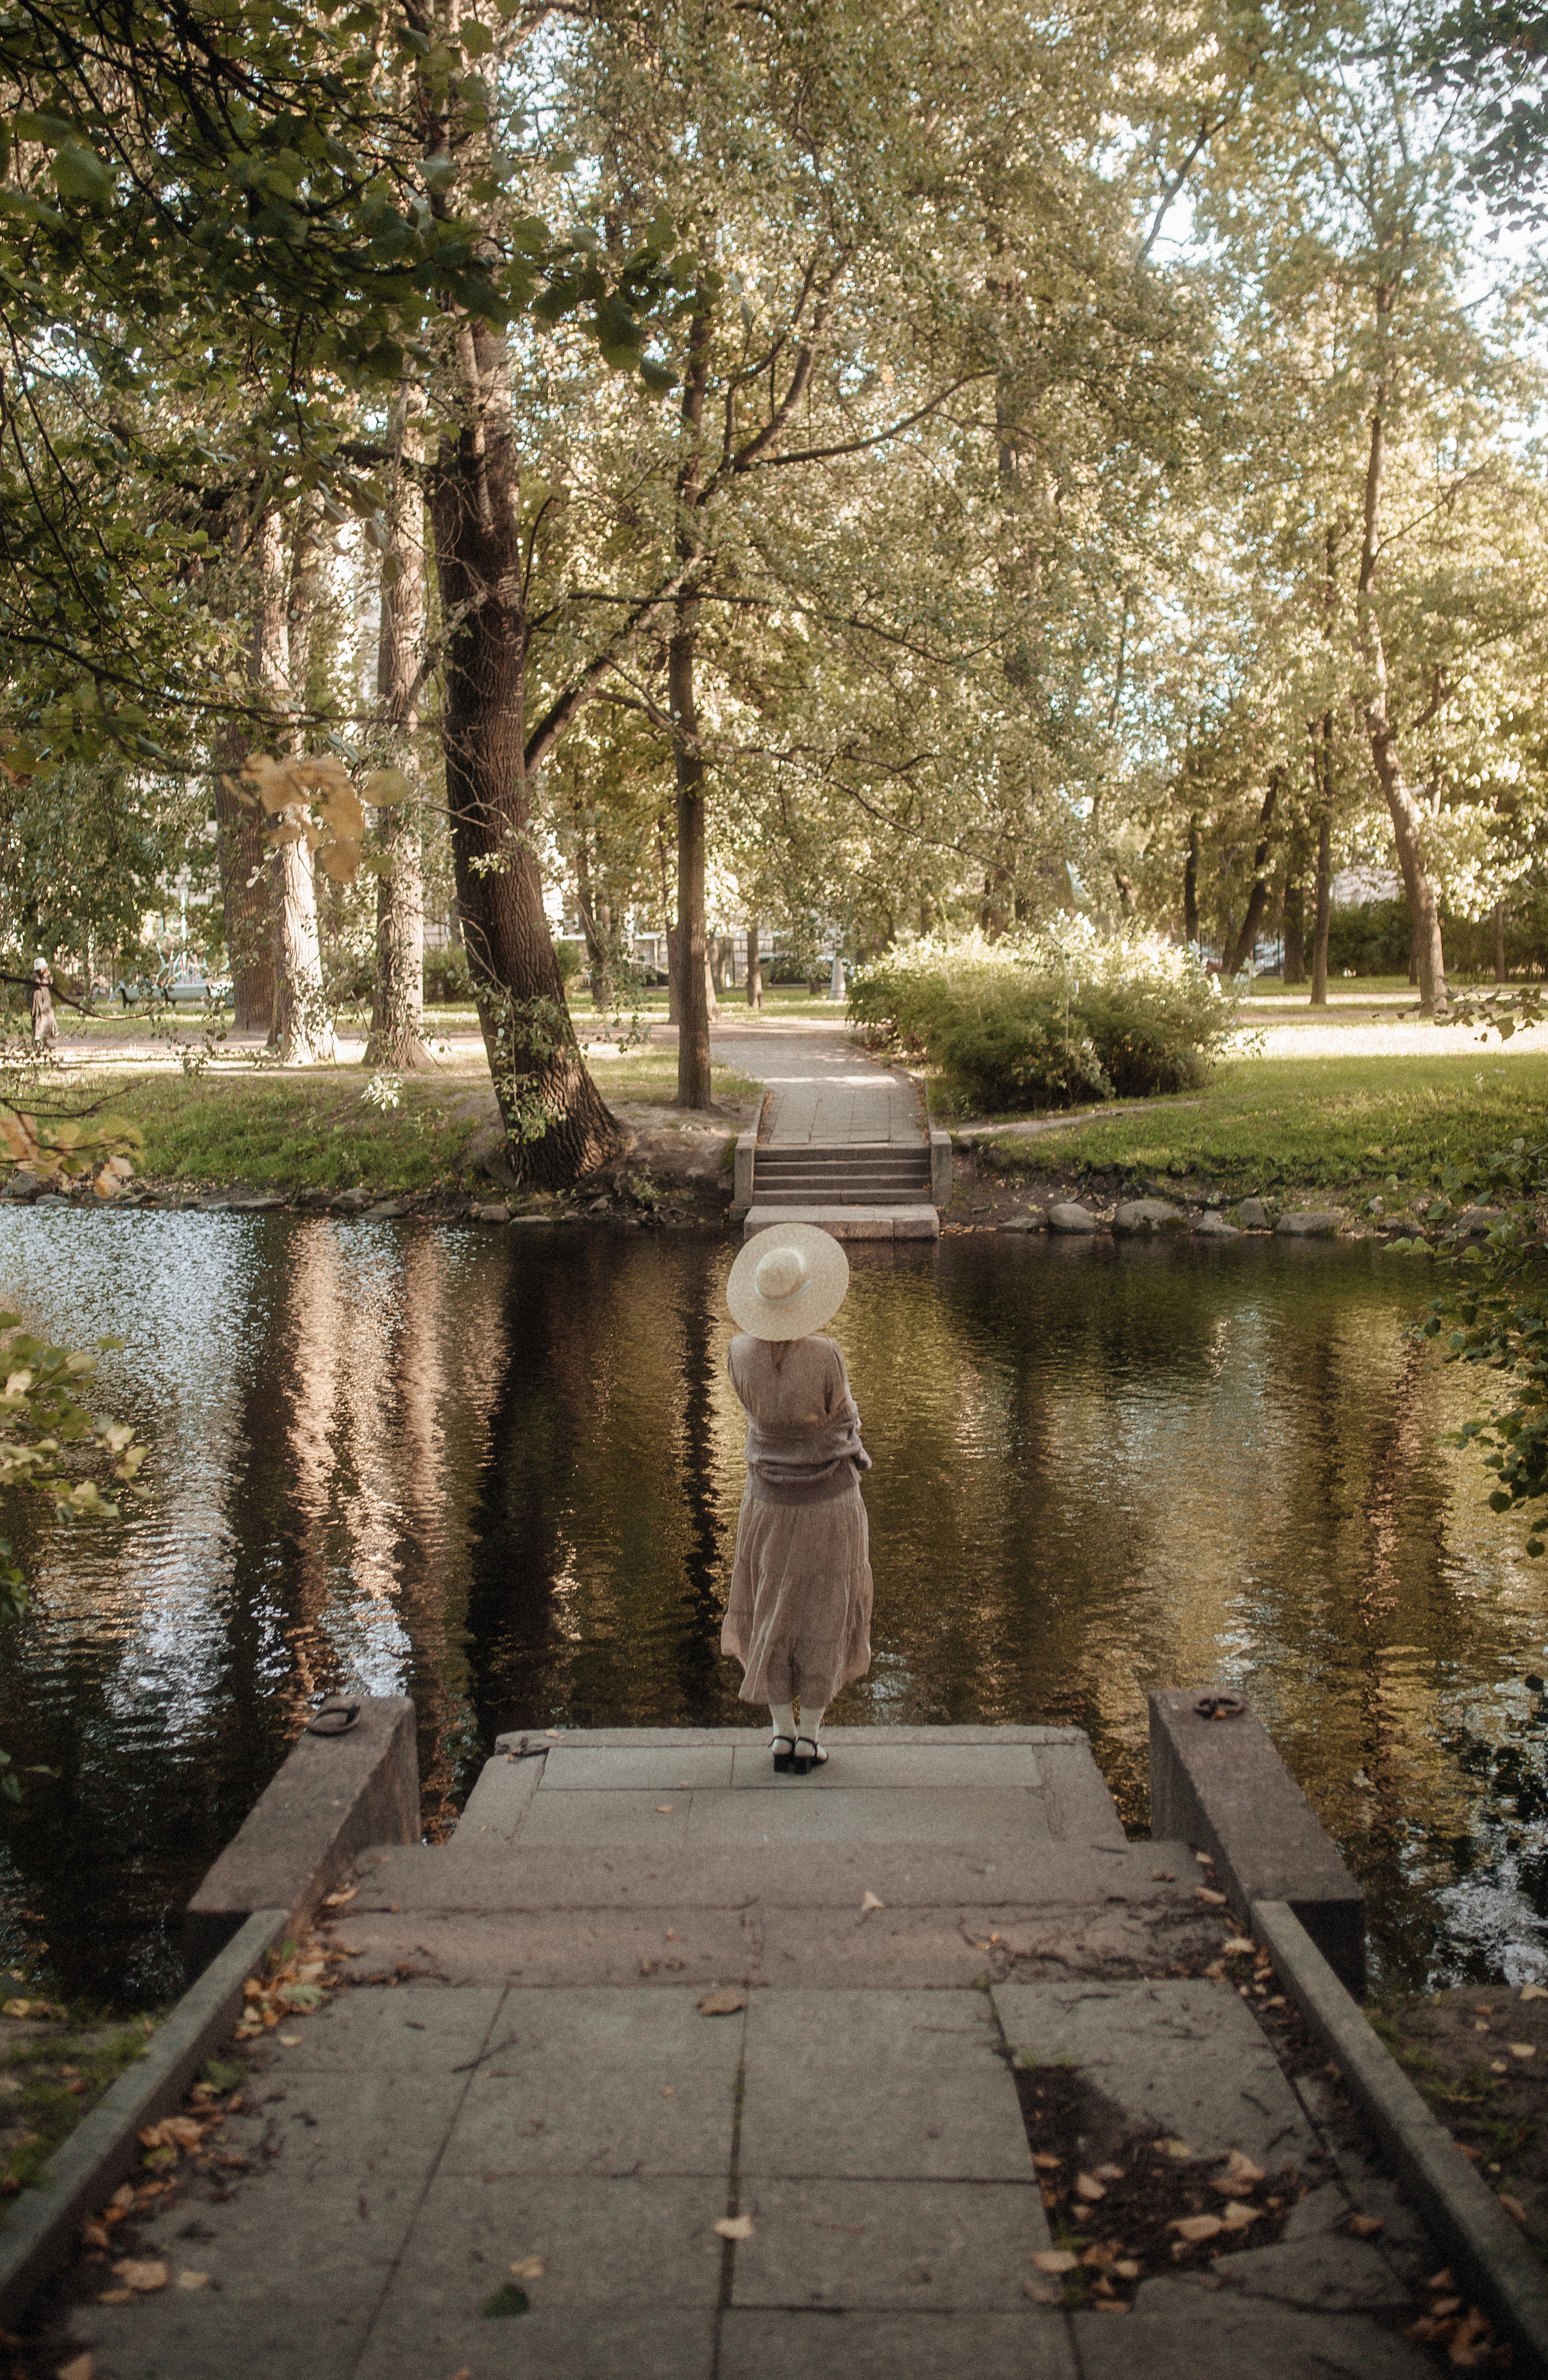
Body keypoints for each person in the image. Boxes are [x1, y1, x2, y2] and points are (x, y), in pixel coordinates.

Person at [721, 1223, 873, 1776]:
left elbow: (756, 1418)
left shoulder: (738, 1351)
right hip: (829, 1503)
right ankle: (810, 1737)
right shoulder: (826, 1354)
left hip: (766, 1502)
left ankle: (781, 1735)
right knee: (826, 1605)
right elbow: (846, 1421)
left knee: (771, 1602)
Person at [29, 959, 57, 1049]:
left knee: (49, 1019)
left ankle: (46, 1041)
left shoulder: (46, 976)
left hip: (46, 1000)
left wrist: (48, 976)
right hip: (38, 1001)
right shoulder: (35, 977)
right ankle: (36, 1044)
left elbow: (50, 983)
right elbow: (40, 984)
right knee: (39, 1020)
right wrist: (45, 978)